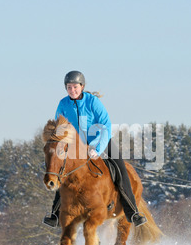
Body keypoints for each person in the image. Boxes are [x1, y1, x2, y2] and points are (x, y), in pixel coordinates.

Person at [42, 70, 147, 228]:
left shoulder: (92, 102)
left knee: (120, 170)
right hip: (76, 147)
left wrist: (97, 149)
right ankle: (55, 215)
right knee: (60, 172)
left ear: (82, 86)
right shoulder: (63, 104)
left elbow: (106, 125)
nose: (72, 90)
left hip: (100, 141)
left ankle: (132, 212)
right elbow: (59, 128)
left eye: (75, 87)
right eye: (69, 87)